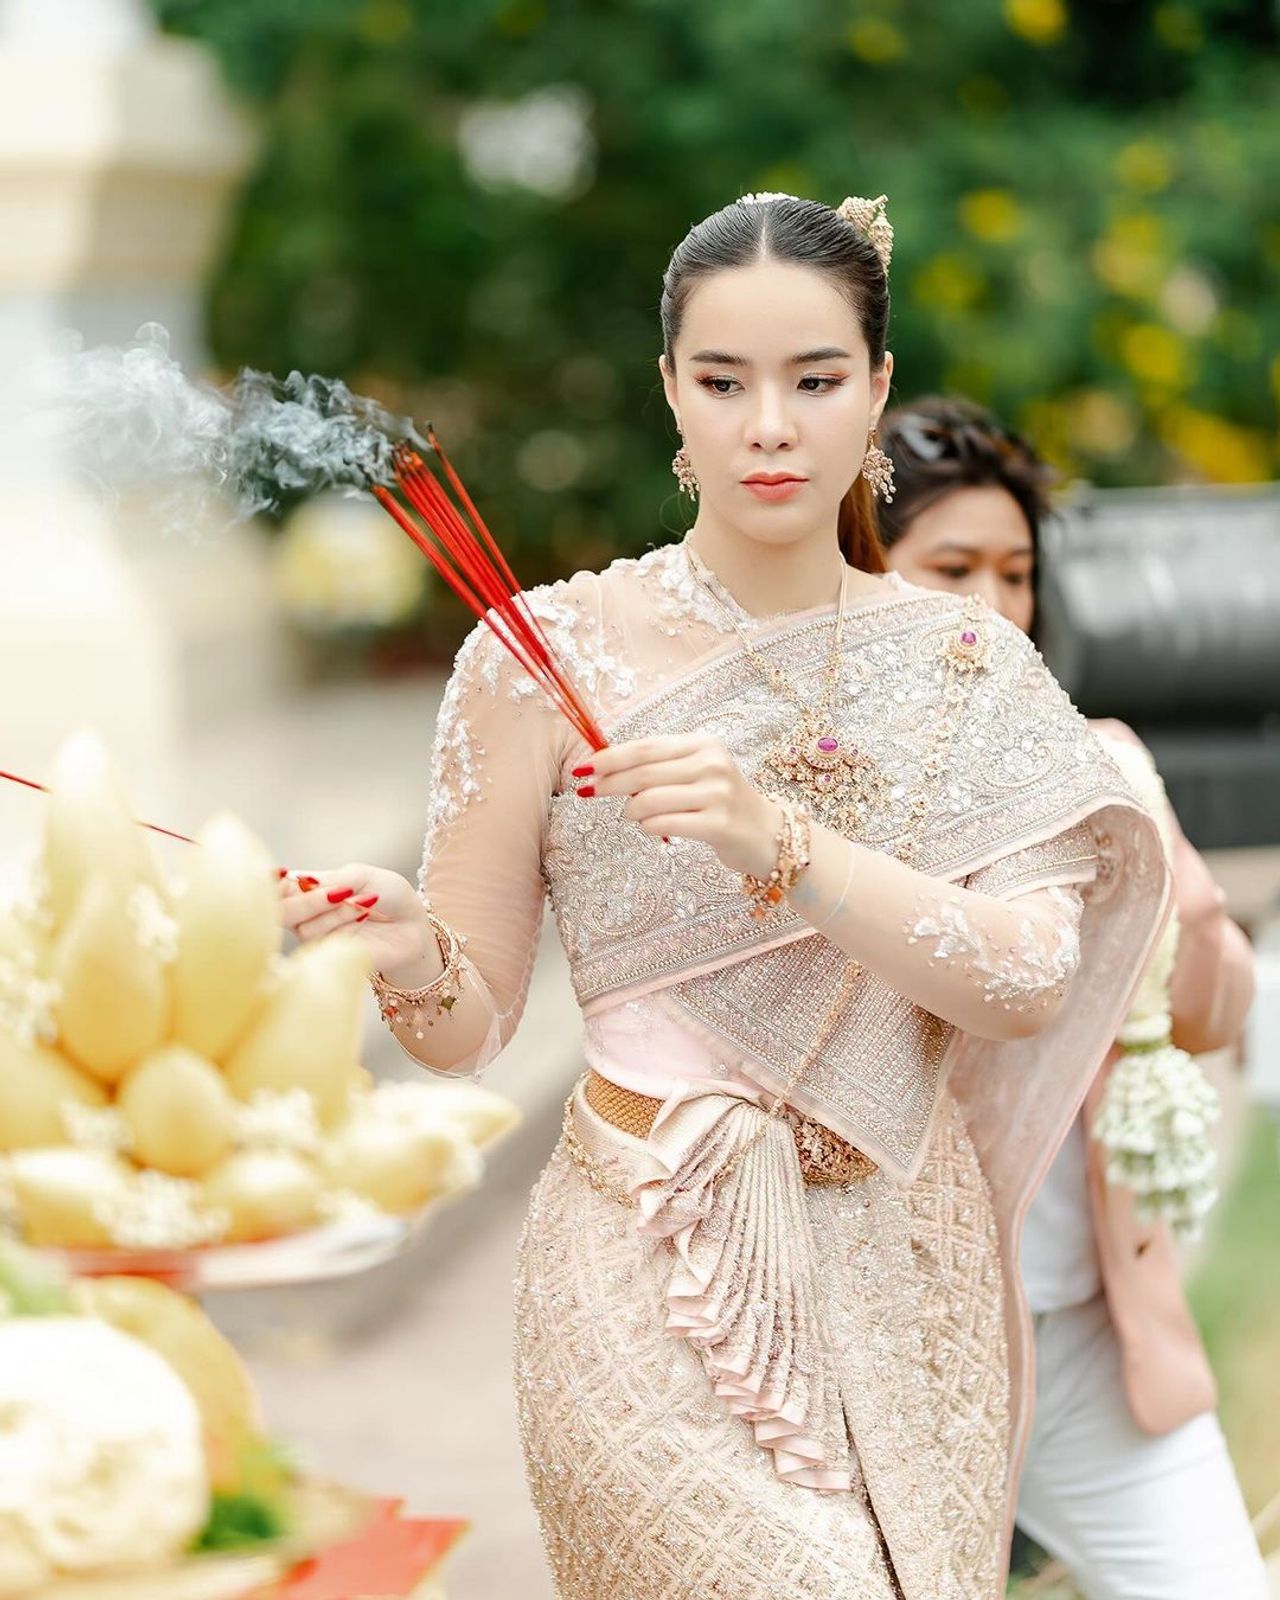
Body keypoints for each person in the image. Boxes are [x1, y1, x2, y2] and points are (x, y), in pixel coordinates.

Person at [280, 195, 1168, 1600]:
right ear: (669, 394)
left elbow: (1027, 981)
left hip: (901, 1260)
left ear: (874, 388)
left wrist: (783, 845)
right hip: (643, 1253)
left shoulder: (966, 666)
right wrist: (404, 949)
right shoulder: (534, 657)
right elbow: (466, 1029)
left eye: (814, 382)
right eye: (722, 381)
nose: (769, 427)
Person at [878, 394, 1266, 1599]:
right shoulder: (812, 798)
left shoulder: (1099, 763)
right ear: (860, 570)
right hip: (888, 1345)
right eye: (951, 569)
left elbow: (1207, 1019)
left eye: (1015, 575)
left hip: (1094, 1325)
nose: (993, 607)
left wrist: (1176, 896)